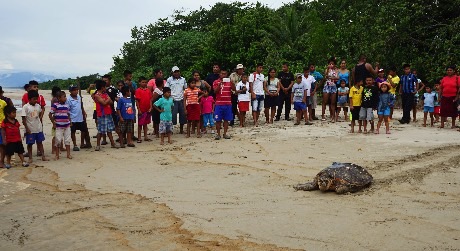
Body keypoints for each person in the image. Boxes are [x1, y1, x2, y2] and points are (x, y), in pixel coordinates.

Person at [22, 90, 48, 163]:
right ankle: (30, 157)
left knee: (40, 143)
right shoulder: (26, 107)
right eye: (34, 99)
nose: (36, 100)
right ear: (29, 99)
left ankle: (43, 156)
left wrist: (40, 120)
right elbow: (23, 120)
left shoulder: (38, 106)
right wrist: (27, 129)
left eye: (36, 99)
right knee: (30, 144)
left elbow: (40, 113)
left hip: (38, 128)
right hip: (30, 129)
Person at [93, 80, 119, 151]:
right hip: (101, 114)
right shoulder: (97, 95)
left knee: (109, 130)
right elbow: (105, 103)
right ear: (102, 87)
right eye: (104, 87)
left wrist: (107, 100)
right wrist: (108, 99)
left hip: (108, 113)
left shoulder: (105, 94)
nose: (105, 88)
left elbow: (109, 102)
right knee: (100, 131)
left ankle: (112, 143)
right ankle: (98, 145)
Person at [213, 69, 236, 139]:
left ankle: (225, 133)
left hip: (228, 104)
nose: (223, 75)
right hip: (219, 104)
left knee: (226, 120)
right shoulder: (216, 82)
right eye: (222, 74)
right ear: (219, 74)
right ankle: (218, 134)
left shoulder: (229, 82)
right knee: (218, 120)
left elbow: (234, 89)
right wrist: (220, 84)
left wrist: (232, 83)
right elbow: (215, 91)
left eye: (225, 74)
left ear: (227, 75)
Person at [67, 85, 91, 151]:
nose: (76, 91)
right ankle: (75, 144)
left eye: (76, 90)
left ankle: (82, 143)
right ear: (70, 91)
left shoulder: (79, 97)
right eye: (74, 90)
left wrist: (84, 112)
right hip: (73, 118)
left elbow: (81, 105)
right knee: (73, 132)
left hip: (80, 117)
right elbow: (68, 111)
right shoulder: (69, 100)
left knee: (83, 131)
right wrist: (69, 119)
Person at [50, 91, 72, 160]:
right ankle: (57, 155)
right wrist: (53, 123)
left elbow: (68, 114)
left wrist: (70, 121)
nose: (65, 98)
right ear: (59, 98)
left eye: (65, 96)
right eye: (64, 97)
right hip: (59, 126)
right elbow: (50, 114)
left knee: (67, 140)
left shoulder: (67, 105)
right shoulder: (55, 105)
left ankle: (68, 154)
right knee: (58, 140)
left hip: (67, 125)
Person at [166, 66, 187, 134]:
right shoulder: (169, 80)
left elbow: (185, 88)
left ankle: (181, 129)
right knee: (173, 115)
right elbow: (166, 89)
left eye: (177, 71)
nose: (177, 73)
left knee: (182, 114)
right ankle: (171, 129)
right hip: (173, 99)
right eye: (175, 72)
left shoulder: (183, 79)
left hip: (181, 99)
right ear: (172, 73)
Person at [103, 74, 121, 142]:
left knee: (116, 125)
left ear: (109, 81)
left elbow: (117, 99)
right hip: (103, 111)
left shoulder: (113, 90)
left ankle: (121, 139)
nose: (104, 82)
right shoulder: (100, 90)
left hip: (111, 110)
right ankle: (104, 140)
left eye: (106, 80)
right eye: (103, 80)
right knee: (104, 126)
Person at [135, 76, 153, 142]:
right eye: (143, 82)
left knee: (145, 124)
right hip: (141, 110)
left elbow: (150, 99)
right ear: (139, 83)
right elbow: (137, 101)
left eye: (145, 82)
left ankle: (146, 136)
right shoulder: (138, 90)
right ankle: (139, 137)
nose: (144, 83)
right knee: (140, 124)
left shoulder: (148, 90)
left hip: (147, 110)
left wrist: (151, 107)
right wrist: (139, 109)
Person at [322, 57, 339, 122]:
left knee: (333, 102)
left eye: (332, 64)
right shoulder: (327, 70)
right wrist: (328, 70)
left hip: (333, 86)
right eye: (330, 64)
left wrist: (332, 77)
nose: (331, 65)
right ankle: (323, 115)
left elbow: (338, 78)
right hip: (327, 86)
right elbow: (325, 76)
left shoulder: (336, 70)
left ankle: (333, 116)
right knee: (325, 101)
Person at [0, 92, 7, 168]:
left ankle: (1, 161)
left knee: (2, 144)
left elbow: (6, 113)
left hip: (1, 125)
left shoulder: (3, 103)